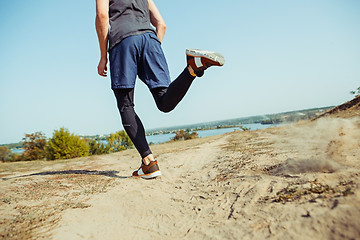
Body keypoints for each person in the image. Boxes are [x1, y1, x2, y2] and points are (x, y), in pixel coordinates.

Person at [95, 0, 225, 179]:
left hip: (122, 41)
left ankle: (149, 162)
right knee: (164, 102)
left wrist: (103, 56)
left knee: (126, 105)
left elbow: (102, 16)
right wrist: (150, 50)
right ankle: (192, 68)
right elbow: (161, 25)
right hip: (150, 40)